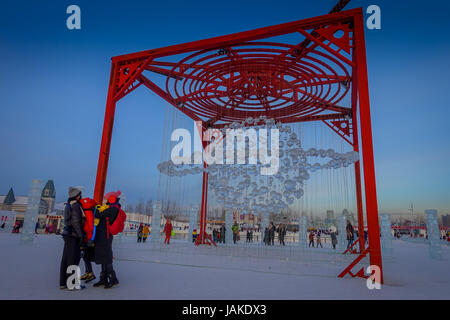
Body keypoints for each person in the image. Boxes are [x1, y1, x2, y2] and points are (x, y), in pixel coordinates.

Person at [93, 191, 122, 289]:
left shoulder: (113, 209)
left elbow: (98, 215)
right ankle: (103, 279)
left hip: (106, 236)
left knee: (107, 257)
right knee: (103, 257)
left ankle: (113, 279)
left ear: (111, 200)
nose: (105, 201)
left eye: (106, 199)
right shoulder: (112, 208)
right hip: (103, 236)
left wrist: (95, 207)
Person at [59, 187, 84, 290]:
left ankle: (63, 282)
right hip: (73, 235)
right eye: (80, 195)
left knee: (66, 258)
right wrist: (81, 235)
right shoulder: (76, 206)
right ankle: (72, 284)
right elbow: (76, 222)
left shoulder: (69, 205)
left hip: (67, 234)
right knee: (73, 259)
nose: (81, 196)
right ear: (77, 196)